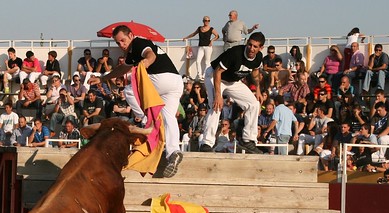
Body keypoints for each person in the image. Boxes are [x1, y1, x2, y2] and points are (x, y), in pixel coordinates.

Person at [88, 25, 184, 177]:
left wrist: (145, 63)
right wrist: (102, 78)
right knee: (168, 118)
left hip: (161, 78)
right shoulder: (131, 53)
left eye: (123, 41)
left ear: (131, 35)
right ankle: (173, 153)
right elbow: (122, 69)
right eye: (118, 43)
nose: (121, 45)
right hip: (175, 82)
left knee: (129, 90)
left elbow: (150, 54)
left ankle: (146, 121)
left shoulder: (138, 43)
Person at [199, 31, 266, 154]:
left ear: (260, 48)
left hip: (233, 82)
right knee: (216, 106)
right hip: (214, 76)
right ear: (247, 43)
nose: (251, 49)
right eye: (250, 45)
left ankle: (248, 140)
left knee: (254, 104)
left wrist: (258, 90)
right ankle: (206, 143)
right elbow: (217, 72)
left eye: (255, 47)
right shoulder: (235, 53)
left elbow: (255, 73)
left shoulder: (259, 58)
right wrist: (218, 96)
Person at [183, 16, 220, 80]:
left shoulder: (211, 29)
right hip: (201, 47)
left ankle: (204, 75)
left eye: (208, 20)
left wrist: (212, 40)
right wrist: (186, 37)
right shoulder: (200, 28)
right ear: (203, 21)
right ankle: (199, 75)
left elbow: (217, 36)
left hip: (208, 47)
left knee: (207, 62)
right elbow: (193, 34)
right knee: (198, 61)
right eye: (206, 20)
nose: (207, 22)